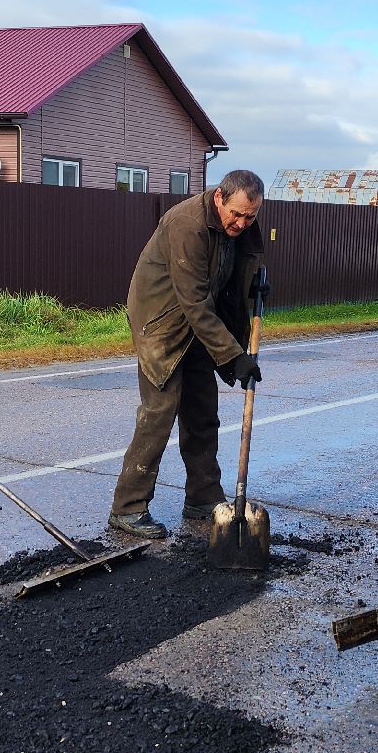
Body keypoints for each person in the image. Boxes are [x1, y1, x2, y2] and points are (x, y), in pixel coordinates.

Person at [109, 170, 267, 539]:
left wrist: (255, 283)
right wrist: (232, 355)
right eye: (237, 214)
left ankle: (202, 496)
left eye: (251, 217)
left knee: (202, 411)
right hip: (162, 323)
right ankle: (127, 508)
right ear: (219, 199)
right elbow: (193, 299)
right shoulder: (187, 224)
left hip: (197, 324)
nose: (242, 223)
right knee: (159, 413)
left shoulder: (241, 226)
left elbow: (227, 281)